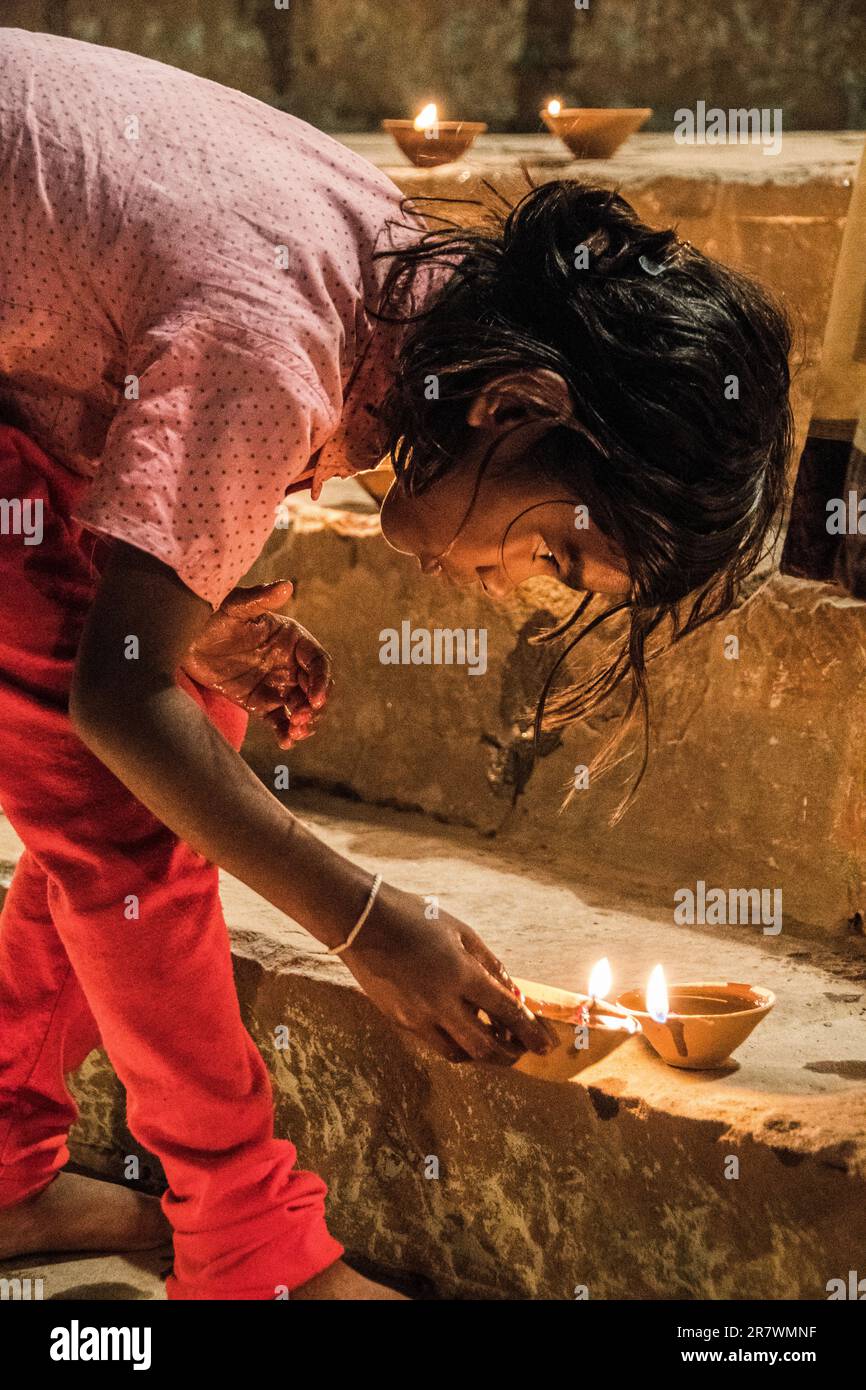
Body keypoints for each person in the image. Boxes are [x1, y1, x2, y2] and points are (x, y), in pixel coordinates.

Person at [0, 29, 792, 1299]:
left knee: (170, 716)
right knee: (117, 795)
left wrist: (177, 628)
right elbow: (114, 696)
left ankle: (4, 1170)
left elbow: (102, 384)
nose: (509, 589)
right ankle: (250, 1253)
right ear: (512, 407)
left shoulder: (388, 278)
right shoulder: (280, 342)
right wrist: (367, 921)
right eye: (551, 551)